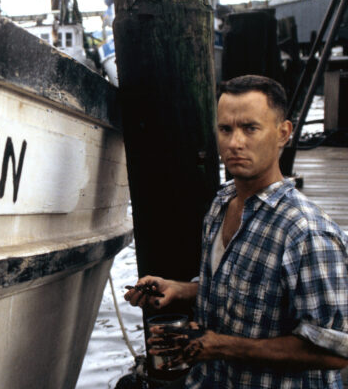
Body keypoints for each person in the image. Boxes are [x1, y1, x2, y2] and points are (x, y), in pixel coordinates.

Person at [125, 75, 348, 388]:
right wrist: (179, 289)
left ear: (284, 133)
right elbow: (242, 289)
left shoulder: (308, 233)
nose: (234, 143)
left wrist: (220, 346)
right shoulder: (221, 204)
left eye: (250, 128)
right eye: (225, 129)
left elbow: (336, 351)